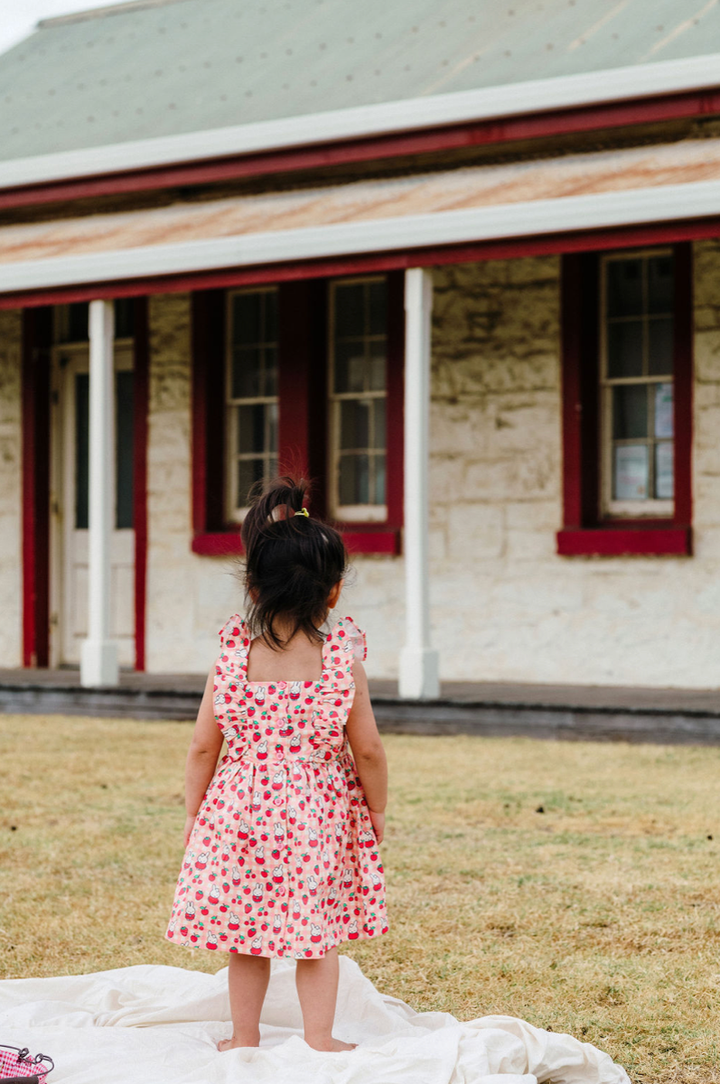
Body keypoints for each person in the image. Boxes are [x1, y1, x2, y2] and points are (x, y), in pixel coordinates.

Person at [166, 477, 388, 1053]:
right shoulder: (341, 660)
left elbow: (201, 746)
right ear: (333, 592)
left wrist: (195, 812)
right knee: (317, 938)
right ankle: (320, 1037)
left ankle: (245, 1036)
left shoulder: (233, 656)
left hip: (238, 813)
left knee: (246, 934)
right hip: (316, 817)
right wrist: (377, 808)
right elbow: (367, 749)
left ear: (253, 586)